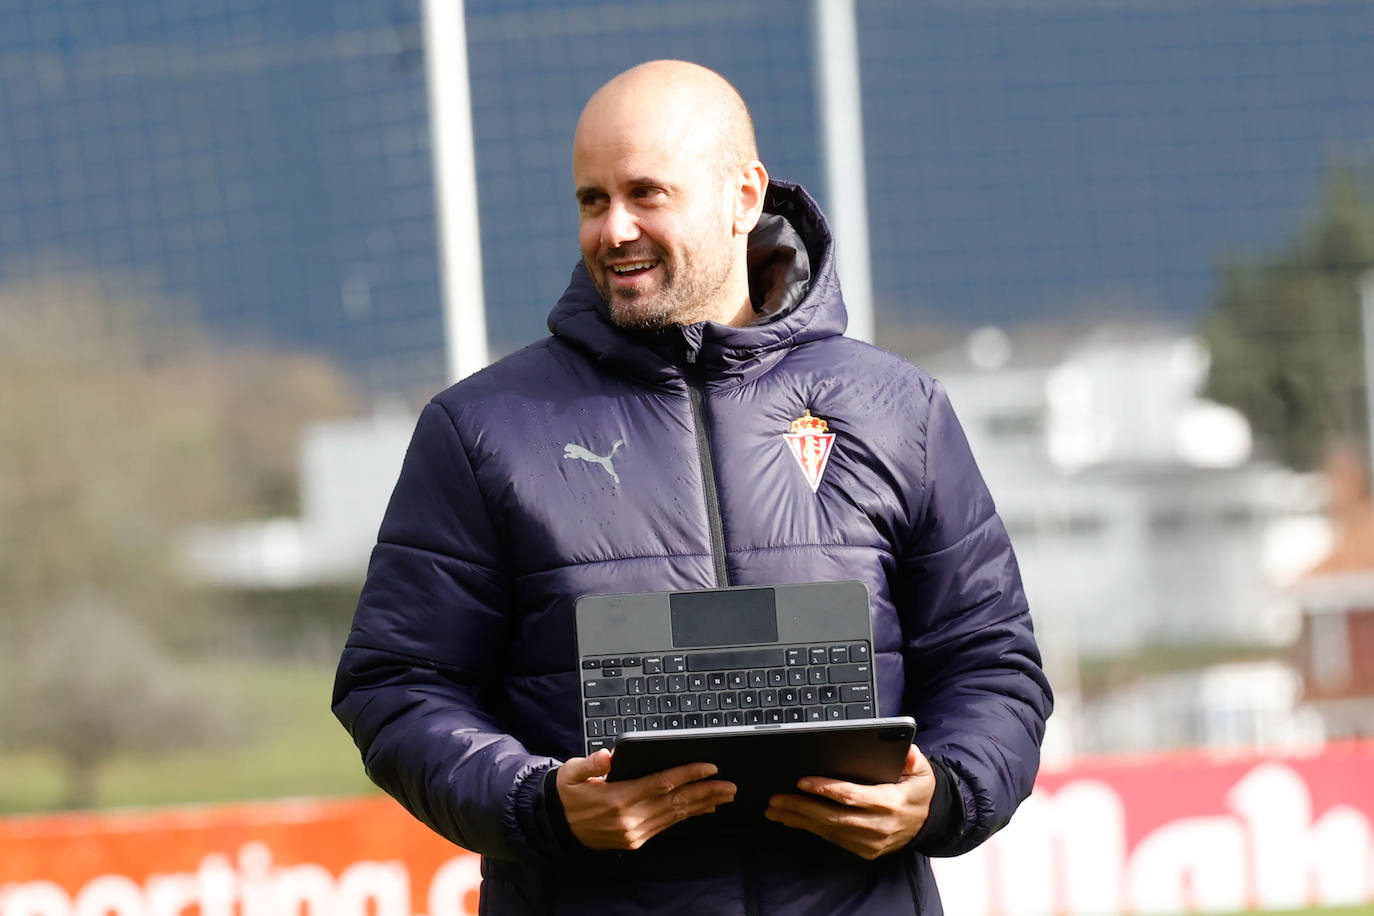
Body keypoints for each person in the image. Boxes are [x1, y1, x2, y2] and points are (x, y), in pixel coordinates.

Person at [333, 59, 1052, 914]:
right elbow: (397, 686)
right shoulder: (485, 429)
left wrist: (943, 792)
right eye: (592, 201)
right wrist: (539, 802)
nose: (614, 229)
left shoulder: (899, 410)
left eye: (647, 193)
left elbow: (993, 665)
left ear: (745, 197)